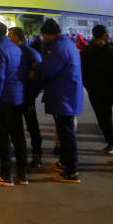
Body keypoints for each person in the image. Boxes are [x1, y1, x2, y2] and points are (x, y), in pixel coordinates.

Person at [35, 18, 84, 183]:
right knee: (64, 133)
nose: (43, 39)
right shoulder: (66, 44)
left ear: (49, 34)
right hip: (66, 94)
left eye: (44, 36)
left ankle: (72, 170)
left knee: (66, 135)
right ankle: (65, 162)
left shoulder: (58, 47)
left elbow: (49, 70)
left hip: (64, 96)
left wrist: (37, 69)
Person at [0, 22, 27, 186]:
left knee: (2, 138)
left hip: (4, 99)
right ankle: (22, 174)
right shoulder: (15, 48)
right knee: (18, 136)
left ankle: (5, 174)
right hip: (17, 97)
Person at [80, 24, 113, 154]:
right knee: (104, 119)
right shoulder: (89, 51)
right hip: (98, 90)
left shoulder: (112, 47)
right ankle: (111, 142)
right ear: (101, 35)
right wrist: (88, 87)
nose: (109, 35)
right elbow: (84, 71)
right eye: (106, 33)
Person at [9, 27, 43, 168]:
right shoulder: (20, 50)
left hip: (26, 94)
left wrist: (33, 90)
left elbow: (39, 70)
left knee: (31, 126)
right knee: (18, 126)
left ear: (17, 37)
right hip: (17, 94)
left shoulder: (28, 52)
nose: (8, 37)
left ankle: (36, 154)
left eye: (10, 35)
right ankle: (22, 153)